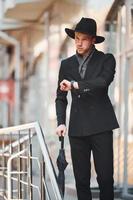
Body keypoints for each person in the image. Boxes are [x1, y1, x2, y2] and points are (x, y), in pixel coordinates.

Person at [55, 17, 119, 200]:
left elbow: (102, 82)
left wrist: (75, 85)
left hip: (101, 126)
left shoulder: (106, 60)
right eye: (76, 38)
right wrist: (61, 122)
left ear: (93, 40)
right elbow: (60, 97)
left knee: (105, 179)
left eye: (83, 38)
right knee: (81, 180)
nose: (79, 42)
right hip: (77, 129)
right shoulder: (66, 64)